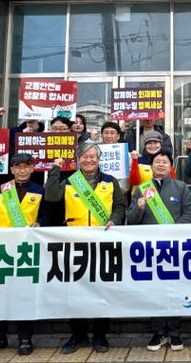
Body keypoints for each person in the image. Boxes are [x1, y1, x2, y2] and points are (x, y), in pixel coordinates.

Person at [45, 143, 127, 354]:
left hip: (103, 242)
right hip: (75, 242)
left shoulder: (110, 181)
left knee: (102, 290)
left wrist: (114, 219)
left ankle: (100, 335)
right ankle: (78, 334)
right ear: (78, 160)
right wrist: (55, 169)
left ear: (99, 160)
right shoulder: (70, 181)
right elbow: (51, 196)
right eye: (84, 157)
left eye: (93, 157)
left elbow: (120, 205)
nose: (89, 160)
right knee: (75, 290)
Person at [0, 154, 49, 357]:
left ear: (32, 169)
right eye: (18, 167)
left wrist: (40, 222)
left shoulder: (39, 190)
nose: (22, 170)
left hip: (25, 251)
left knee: (24, 295)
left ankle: (25, 337)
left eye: (26, 166)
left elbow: (47, 215)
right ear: (12, 169)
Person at [127, 150, 191, 352]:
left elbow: (189, 212)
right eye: (157, 161)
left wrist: (174, 230)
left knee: (175, 289)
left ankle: (174, 332)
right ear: (151, 166)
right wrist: (139, 208)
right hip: (150, 249)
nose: (161, 165)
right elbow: (131, 220)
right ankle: (158, 332)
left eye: (165, 161)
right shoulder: (142, 189)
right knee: (154, 290)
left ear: (170, 166)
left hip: (175, 248)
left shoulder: (181, 187)